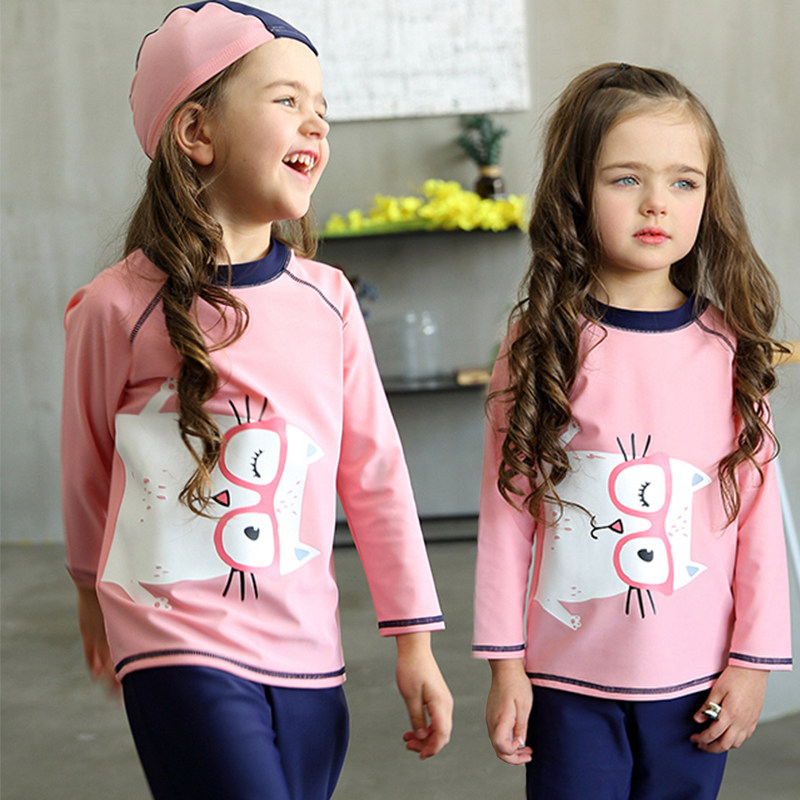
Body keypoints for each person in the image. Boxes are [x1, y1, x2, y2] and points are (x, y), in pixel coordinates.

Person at [60, 3, 452, 798]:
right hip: (175, 641)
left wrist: (415, 641)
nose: (316, 123)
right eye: (286, 100)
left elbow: (375, 476)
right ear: (196, 132)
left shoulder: (329, 301)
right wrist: (90, 596)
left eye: (322, 108)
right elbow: (86, 467)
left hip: (308, 653)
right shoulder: (113, 307)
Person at [472, 62, 792, 800]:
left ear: (710, 197)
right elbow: (507, 512)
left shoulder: (729, 348)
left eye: (684, 182)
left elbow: (756, 520)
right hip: (565, 681)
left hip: (697, 684)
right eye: (626, 179)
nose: (657, 203)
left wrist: (753, 664)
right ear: (577, 190)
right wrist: (506, 665)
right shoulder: (539, 342)